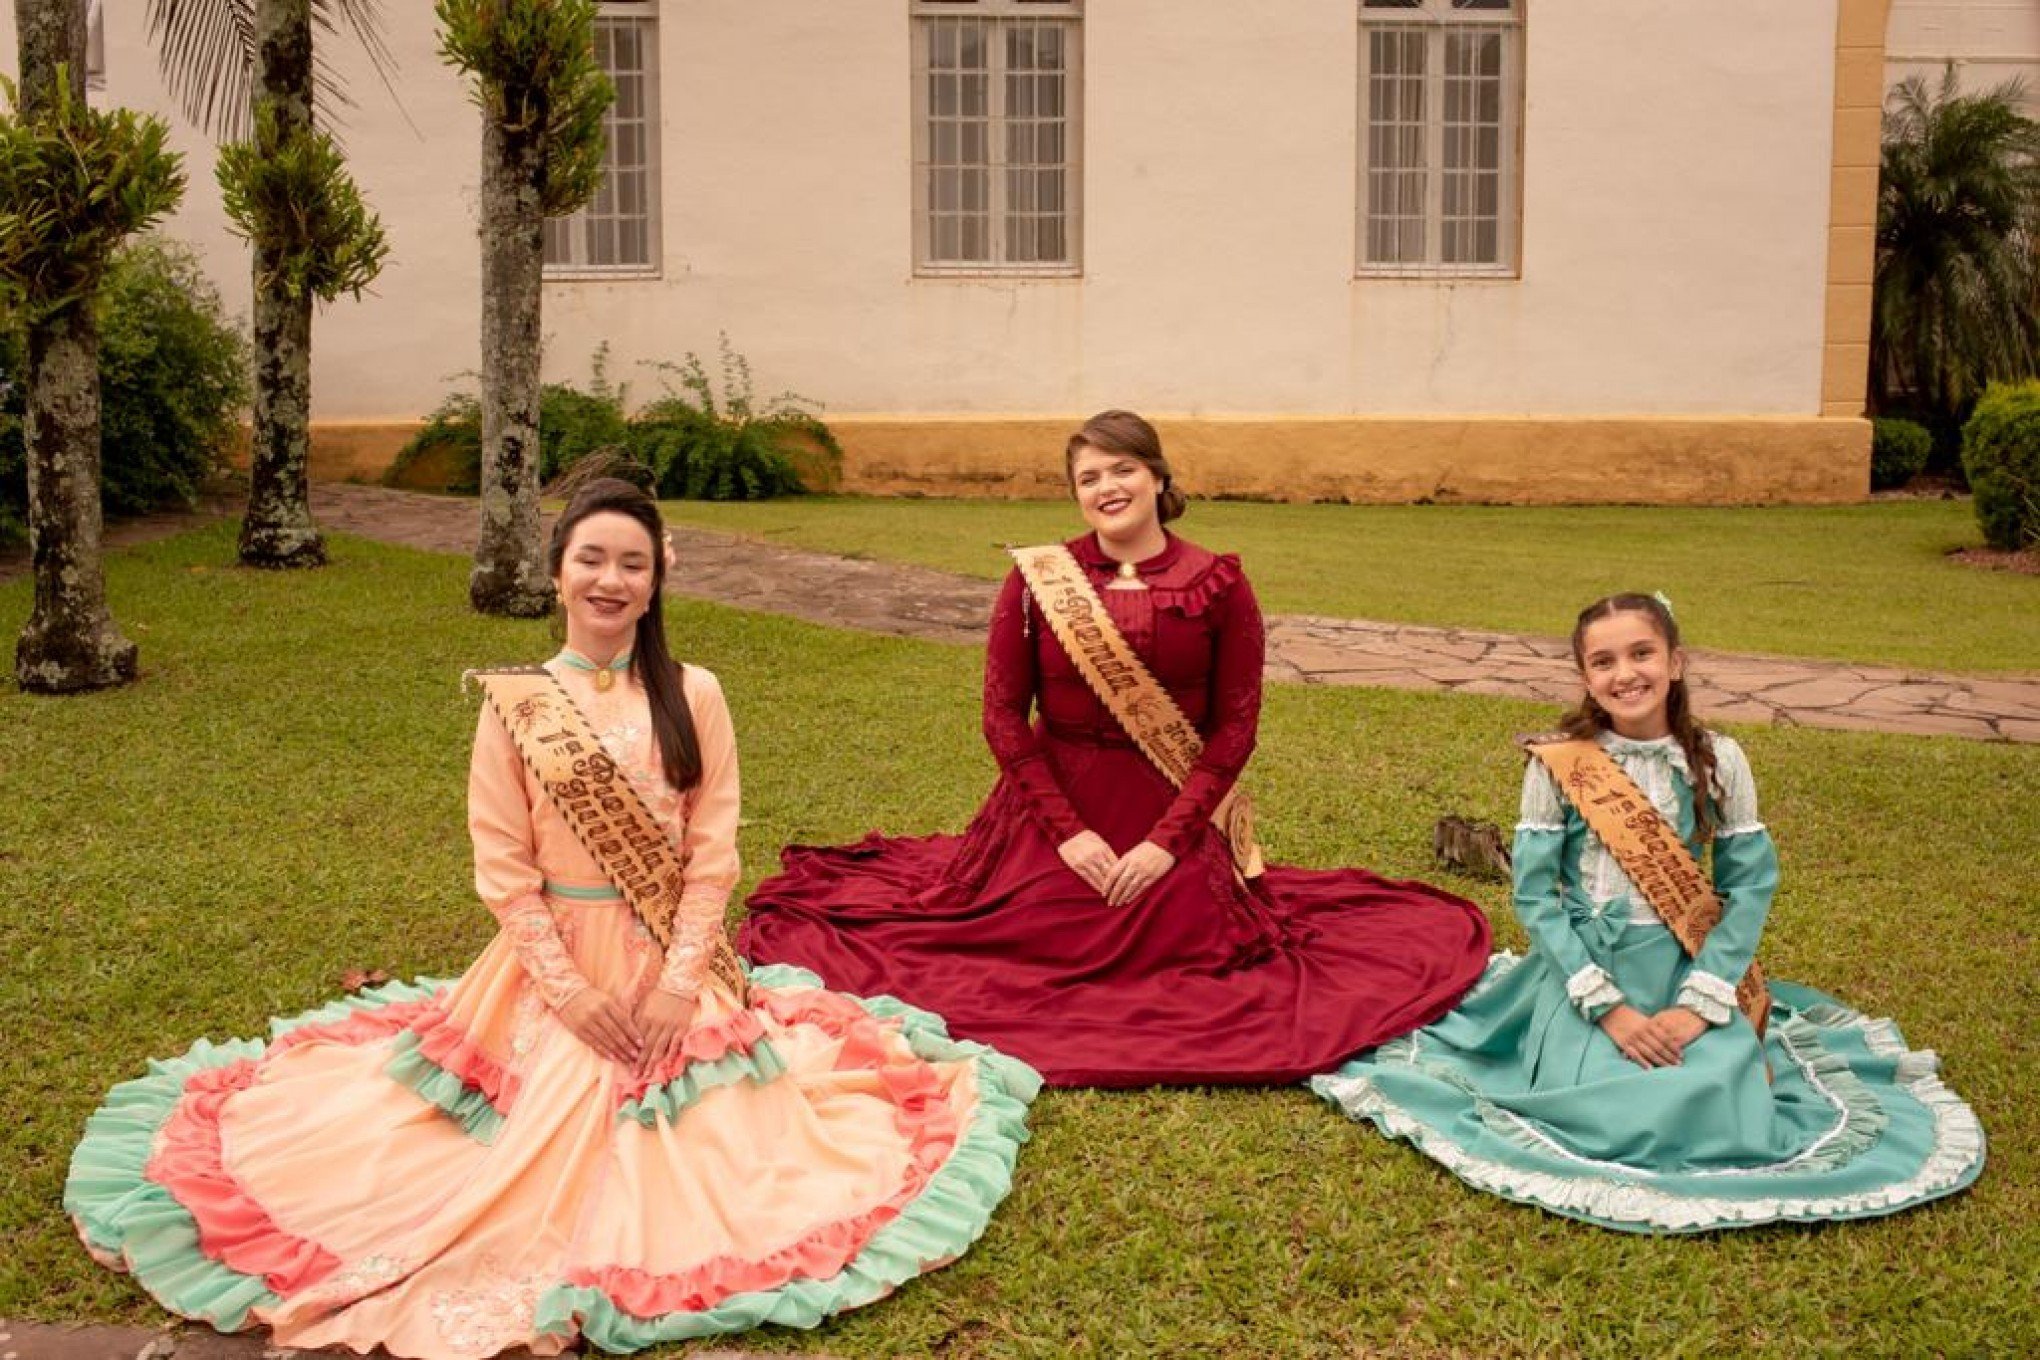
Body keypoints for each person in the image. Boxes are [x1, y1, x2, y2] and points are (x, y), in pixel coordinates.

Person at [64, 480, 1039, 1358]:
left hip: (671, 968)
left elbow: (715, 853)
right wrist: (569, 993)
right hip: (545, 974)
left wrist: (673, 984)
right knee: (504, 1145)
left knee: (728, 1155)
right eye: (593, 559)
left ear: (656, 584)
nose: (611, 580)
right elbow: (502, 868)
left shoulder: (695, 694)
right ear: (559, 570)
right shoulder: (517, 704)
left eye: (633, 563)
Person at [741, 411, 1492, 1086]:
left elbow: (1234, 730)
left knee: (1180, 939)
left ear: (1158, 476)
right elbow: (1004, 717)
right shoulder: (1039, 579)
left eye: (1122, 468)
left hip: (1169, 804)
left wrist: (1169, 843)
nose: (1107, 487)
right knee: (1029, 933)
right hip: (1056, 803)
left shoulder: (1219, 583)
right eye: (1088, 477)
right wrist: (1068, 837)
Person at [1311, 593, 1985, 1232]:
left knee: (1725, 1109)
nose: (1625, 673)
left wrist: (1702, 1003)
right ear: (1585, 675)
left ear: (1675, 662)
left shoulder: (1719, 759)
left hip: (1687, 969)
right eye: (1603, 661)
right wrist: (1610, 1008)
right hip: (1586, 976)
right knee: (1621, 1112)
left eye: (1642, 654)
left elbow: (1748, 889)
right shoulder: (1559, 764)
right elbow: (1537, 898)